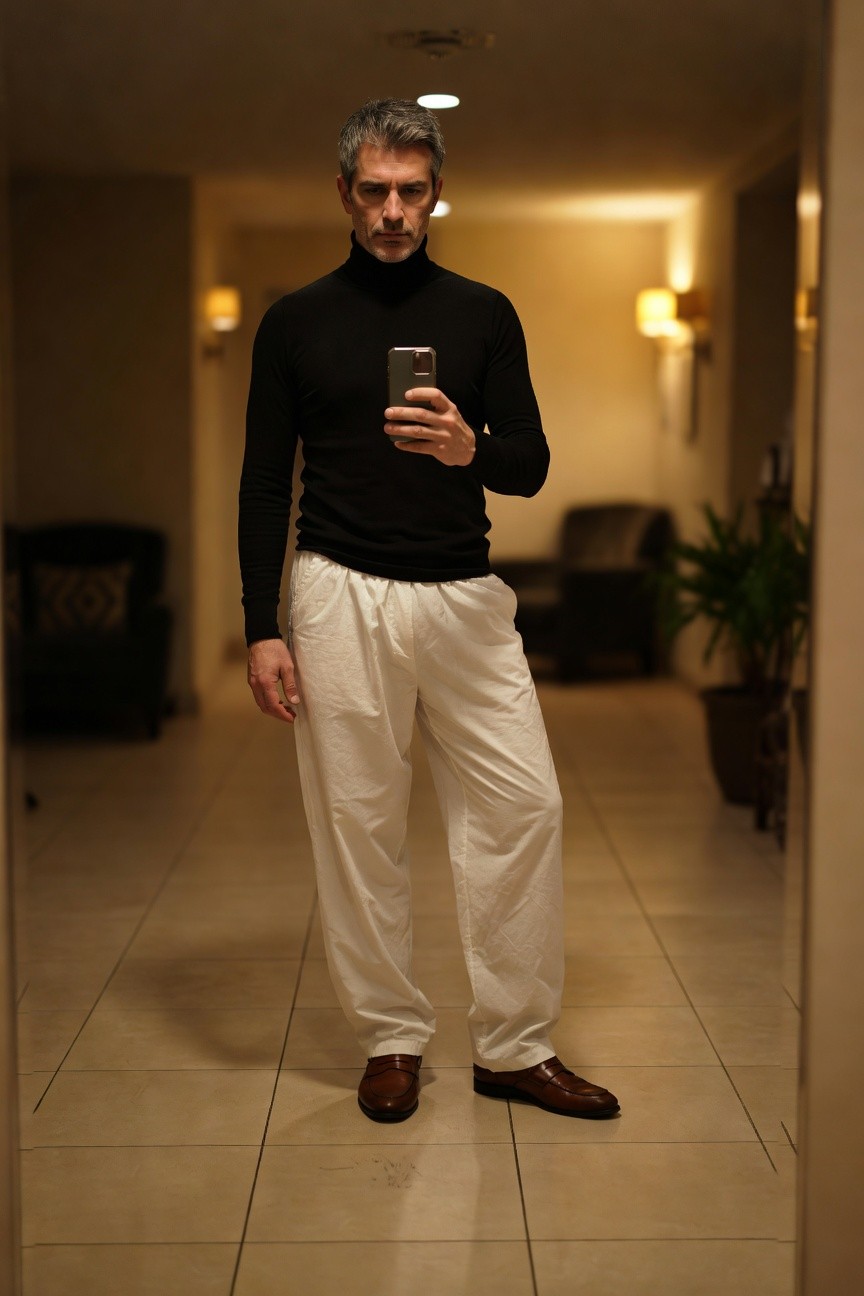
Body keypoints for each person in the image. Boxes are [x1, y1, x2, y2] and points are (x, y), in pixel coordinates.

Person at [239, 99, 619, 1124]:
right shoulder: (294, 322)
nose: (393, 212)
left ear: (438, 193)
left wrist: (467, 448)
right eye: (375, 191)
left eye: (412, 191)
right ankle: (391, 1038)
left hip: (464, 594)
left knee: (524, 805)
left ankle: (515, 1046)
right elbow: (264, 482)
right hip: (337, 591)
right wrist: (262, 624)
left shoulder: (484, 313)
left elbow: (529, 463)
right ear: (344, 194)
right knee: (357, 823)